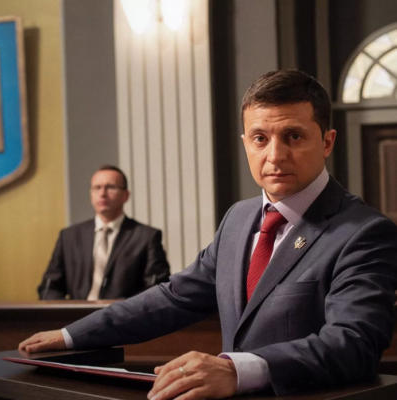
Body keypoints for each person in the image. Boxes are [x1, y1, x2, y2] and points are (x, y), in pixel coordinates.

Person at [21, 70, 397, 399]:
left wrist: (236, 369)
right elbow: (174, 297)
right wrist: (72, 335)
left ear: (327, 141)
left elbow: (354, 343)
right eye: (260, 138)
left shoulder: (364, 232)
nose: (275, 155)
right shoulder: (238, 218)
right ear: (245, 143)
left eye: (293, 136)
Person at [37, 165, 170, 300]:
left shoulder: (146, 237)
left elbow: (156, 289)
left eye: (111, 187)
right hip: (76, 311)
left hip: (124, 311)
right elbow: (50, 286)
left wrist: (124, 309)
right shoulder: (69, 236)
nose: (102, 194)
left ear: (126, 195)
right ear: (91, 195)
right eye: (97, 188)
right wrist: (63, 310)